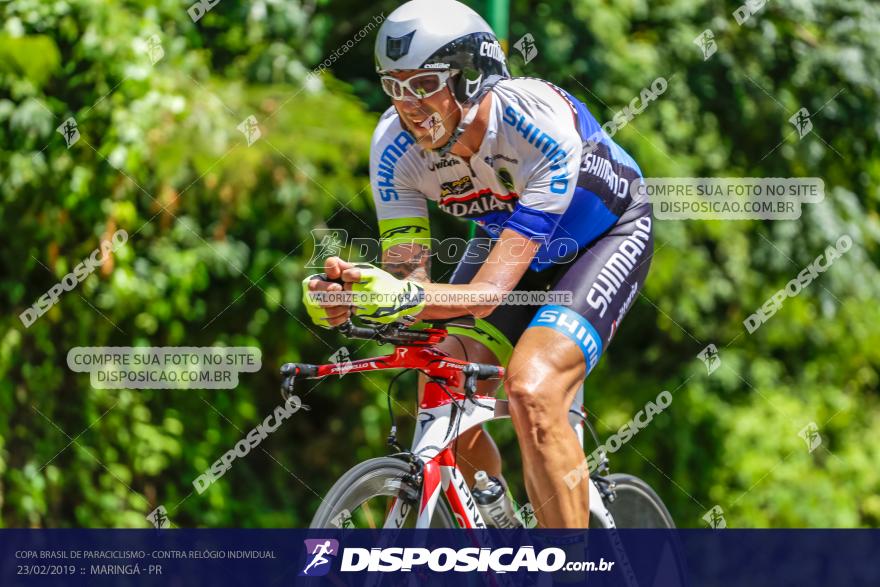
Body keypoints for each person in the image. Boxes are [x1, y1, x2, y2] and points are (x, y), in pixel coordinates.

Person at [302, 0, 653, 528]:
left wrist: (406, 297)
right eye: (394, 87)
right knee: (443, 387)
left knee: (532, 388)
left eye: (422, 84)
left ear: (468, 79)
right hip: (513, 247)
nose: (407, 106)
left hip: (604, 236)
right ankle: (504, 534)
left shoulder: (535, 126)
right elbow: (409, 283)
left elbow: (487, 293)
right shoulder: (395, 148)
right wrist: (353, 297)